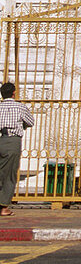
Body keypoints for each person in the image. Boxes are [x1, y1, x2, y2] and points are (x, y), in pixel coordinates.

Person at [0, 82, 34, 217]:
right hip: (12, 141)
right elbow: (30, 122)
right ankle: (4, 207)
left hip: (1, 137)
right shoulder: (20, 107)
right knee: (9, 175)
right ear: (14, 93)